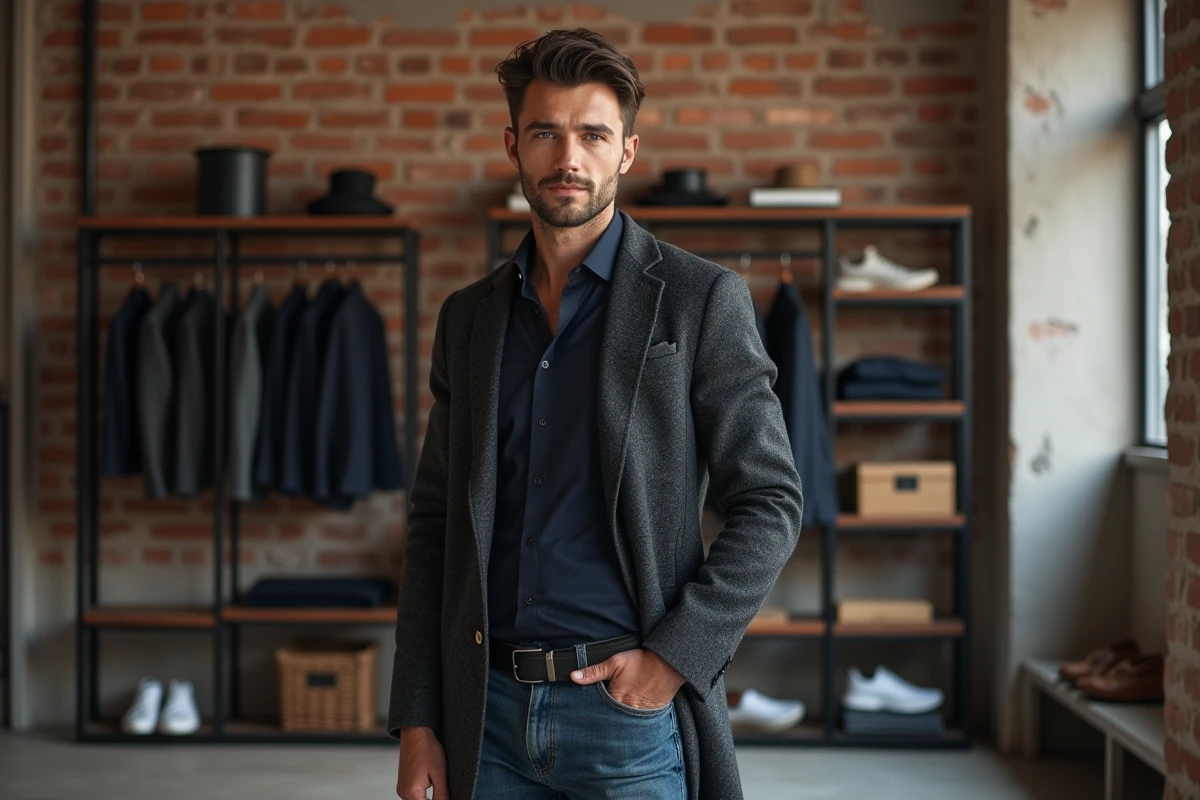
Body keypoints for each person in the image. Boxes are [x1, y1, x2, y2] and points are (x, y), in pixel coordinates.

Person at [390, 28, 803, 800]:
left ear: (628, 151)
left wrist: (673, 660)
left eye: (593, 135)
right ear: (514, 144)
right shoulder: (469, 320)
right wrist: (419, 720)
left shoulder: (699, 300)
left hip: (627, 716)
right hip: (487, 716)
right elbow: (435, 522)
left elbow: (772, 502)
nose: (568, 158)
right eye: (546, 132)